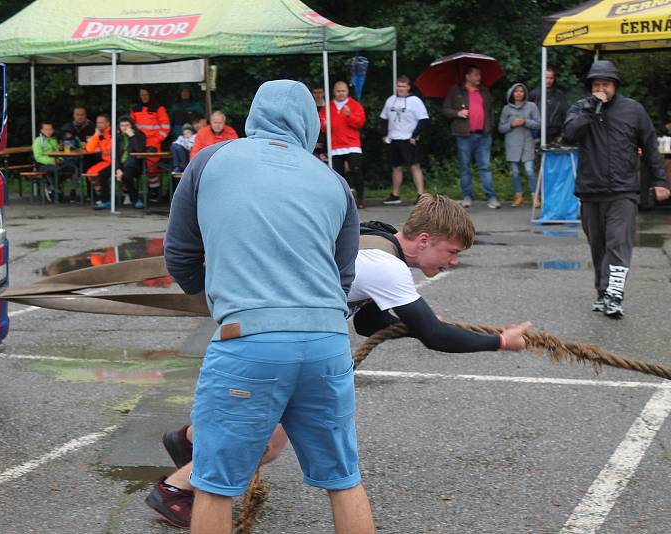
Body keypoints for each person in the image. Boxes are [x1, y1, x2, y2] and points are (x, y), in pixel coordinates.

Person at [149, 195, 532, 529]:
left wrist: (417, 322)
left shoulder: (378, 237)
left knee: (265, 436)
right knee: (264, 447)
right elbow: (435, 337)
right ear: (424, 240)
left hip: (280, 337)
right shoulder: (388, 267)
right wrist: (499, 341)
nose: (453, 262)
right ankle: (174, 490)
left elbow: (366, 320)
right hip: (283, 341)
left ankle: (190, 439)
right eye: (451, 252)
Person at [163, 79, 369, 534]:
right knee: (344, 480)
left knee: (214, 485)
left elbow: (178, 254)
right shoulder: (334, 181)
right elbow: (343, 276)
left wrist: (217, 297)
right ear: (310, 124)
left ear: (254, 114)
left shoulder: (209, 160)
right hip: (327, 343)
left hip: (248, 341)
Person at [563, 60, 671, 318]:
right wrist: (591, 107)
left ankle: (614, 294)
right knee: (598, 246)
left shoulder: (633, 110)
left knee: (618, 245)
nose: (602, 88)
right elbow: (569, 135)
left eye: (606, 84)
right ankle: (603, 292)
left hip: (623, 190)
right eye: (597, 84)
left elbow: (650, 148)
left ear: (615, 85)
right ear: (591, 86)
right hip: (590, 190)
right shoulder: (581, 108)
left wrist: (660, 181)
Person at [442, 64, 500, 209]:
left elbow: (491, 111)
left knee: (485, 167)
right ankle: (467, 196)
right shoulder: (455, 91)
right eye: (475, 74)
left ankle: (491, 197)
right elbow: (445, 110)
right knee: (465, 167)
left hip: (484, 135)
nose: (478, 77)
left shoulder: (484, 91)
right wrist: (457, 113)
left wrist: (490, 127)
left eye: (479, 75)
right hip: (464, 135)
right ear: (467, 76)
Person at [379, 75, 428, 204]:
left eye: (403, 86)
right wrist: (384, 134)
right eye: (399, 86)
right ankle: (395, 195)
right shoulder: (390, 100)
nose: (401, 89)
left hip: (408, 138)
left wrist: (414, 135)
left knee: (414, 166)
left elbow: (423, 119)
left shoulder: (415, 101)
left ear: (408, 87)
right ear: (396, 86)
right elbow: (384, 118)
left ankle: (420, 194)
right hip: (394, 138)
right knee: (395, 167)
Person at [320, 80, 367, 208]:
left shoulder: (354, 105)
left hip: (352, 144)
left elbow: (360, 122)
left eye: (343, 91)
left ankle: (361, 199)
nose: (341, 93)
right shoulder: (327, 107)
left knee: (356, 171)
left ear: (347, 91)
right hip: (335, 146)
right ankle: (343, 201)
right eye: (338, 91)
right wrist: (324, 125)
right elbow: (322, 125)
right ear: (334, 92)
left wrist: (349, 116)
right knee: (338, 175)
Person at [498, 83, 540, 207]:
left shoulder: (531, 106)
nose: (519, 93)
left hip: (527, 142)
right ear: (512, 93)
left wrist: (525, 122)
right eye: (516, 91)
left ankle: (535, 196)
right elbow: (501, 128)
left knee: (529, 170)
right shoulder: (506, 109)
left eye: (521, 91)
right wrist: (511, 125)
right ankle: (519, 196)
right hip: (512, 144)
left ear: (525, 93)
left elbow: (539, 124)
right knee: (515, 172)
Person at [130, 87, 171, 202]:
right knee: (134, 166)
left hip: (154, 143)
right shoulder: (135, 109)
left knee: (152, 168)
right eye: (142, 94)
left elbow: (166, 127)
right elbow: (131, 125)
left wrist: (157, 139)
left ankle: (154, 192)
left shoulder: (159, 108)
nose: (144, 97)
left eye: (146, 94)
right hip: (139, 143)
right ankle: (134, 193)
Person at [32, 121, 78, 203]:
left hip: (56, 163)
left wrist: (60, 159)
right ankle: (53, 188)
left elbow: (58, 153)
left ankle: (70, 190)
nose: (48, 131)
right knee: (56, 170)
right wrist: (51, 161)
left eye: (50, 129)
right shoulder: (38, 141)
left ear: (53, 130)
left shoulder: (54, 140)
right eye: (46, 129)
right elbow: (38, 157)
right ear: (41, 130)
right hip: (42, 165)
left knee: (72, 168)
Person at [114, 116, 148, 209]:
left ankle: (135, 199)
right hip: (121, 164)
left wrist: (132, 136)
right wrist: (118, 169)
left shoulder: (139, 135)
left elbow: (139, 149)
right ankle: (105, 200)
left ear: (132, 126)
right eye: (122, 125)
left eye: (127, 125)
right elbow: (115, 155)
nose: (124, 127)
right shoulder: (118, 137)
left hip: (134, 164)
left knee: (127, 175)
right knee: (102, 173)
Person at [528, 67, 568, 143]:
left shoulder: (559, 95)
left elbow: (565, 115)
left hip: (555, 135)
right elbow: (528, 115)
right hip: (537, 134)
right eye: (546, 78)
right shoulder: (534, 94)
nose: (548, 80)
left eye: (551, 78)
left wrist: (562, 134)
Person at [84, 114, 114, 210]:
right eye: (97, 123)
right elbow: (89, 149)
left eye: (101, 122)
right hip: (106, 162)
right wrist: (96, 135)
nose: (99, 125)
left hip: (115, 162)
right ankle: (101, 195)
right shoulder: (99, 134)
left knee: (102, 174)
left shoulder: (113, 133)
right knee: (90, 173)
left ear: (107, 123)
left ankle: (105, 199)